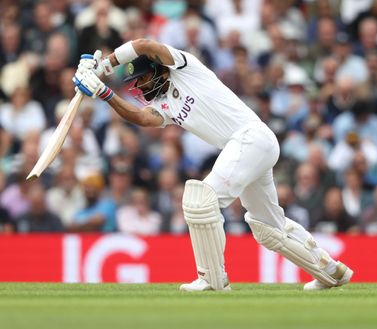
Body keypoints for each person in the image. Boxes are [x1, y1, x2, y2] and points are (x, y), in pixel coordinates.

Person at [72, 38, 353, 291]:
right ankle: (331, 270)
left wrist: (105, 65)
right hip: (250, 147)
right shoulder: (163, 105)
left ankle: (212, 279)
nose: (141, 86)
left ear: (159, 69)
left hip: (250, 137)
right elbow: (142, 119)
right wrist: (106, 94)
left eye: (143, 78)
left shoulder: (185, 66)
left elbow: (145, 45)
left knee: (201, 200)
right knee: (267, 228)